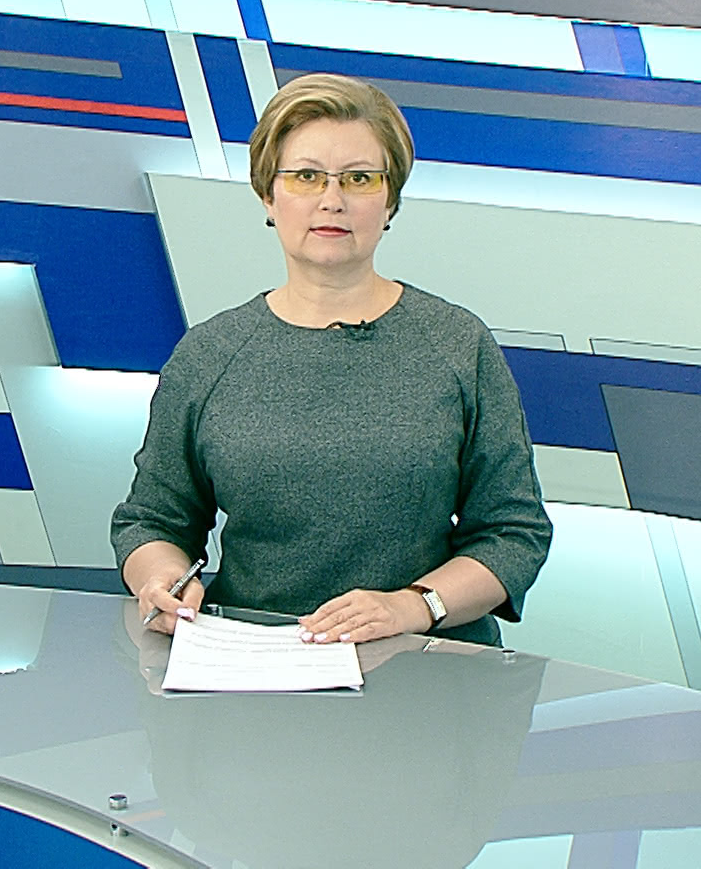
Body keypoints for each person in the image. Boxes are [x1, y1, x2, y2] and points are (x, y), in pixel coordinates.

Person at [109, 73, 552, 647]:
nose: (332, 200)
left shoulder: (457, 344)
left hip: (430, 667)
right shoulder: (209, 354)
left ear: (390, 200)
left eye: (360, 178)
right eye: (306, 176)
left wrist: (411, 607)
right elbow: (151, 520)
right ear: (268, 196)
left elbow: (513, 531)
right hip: (253, 663)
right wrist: (161, 580)